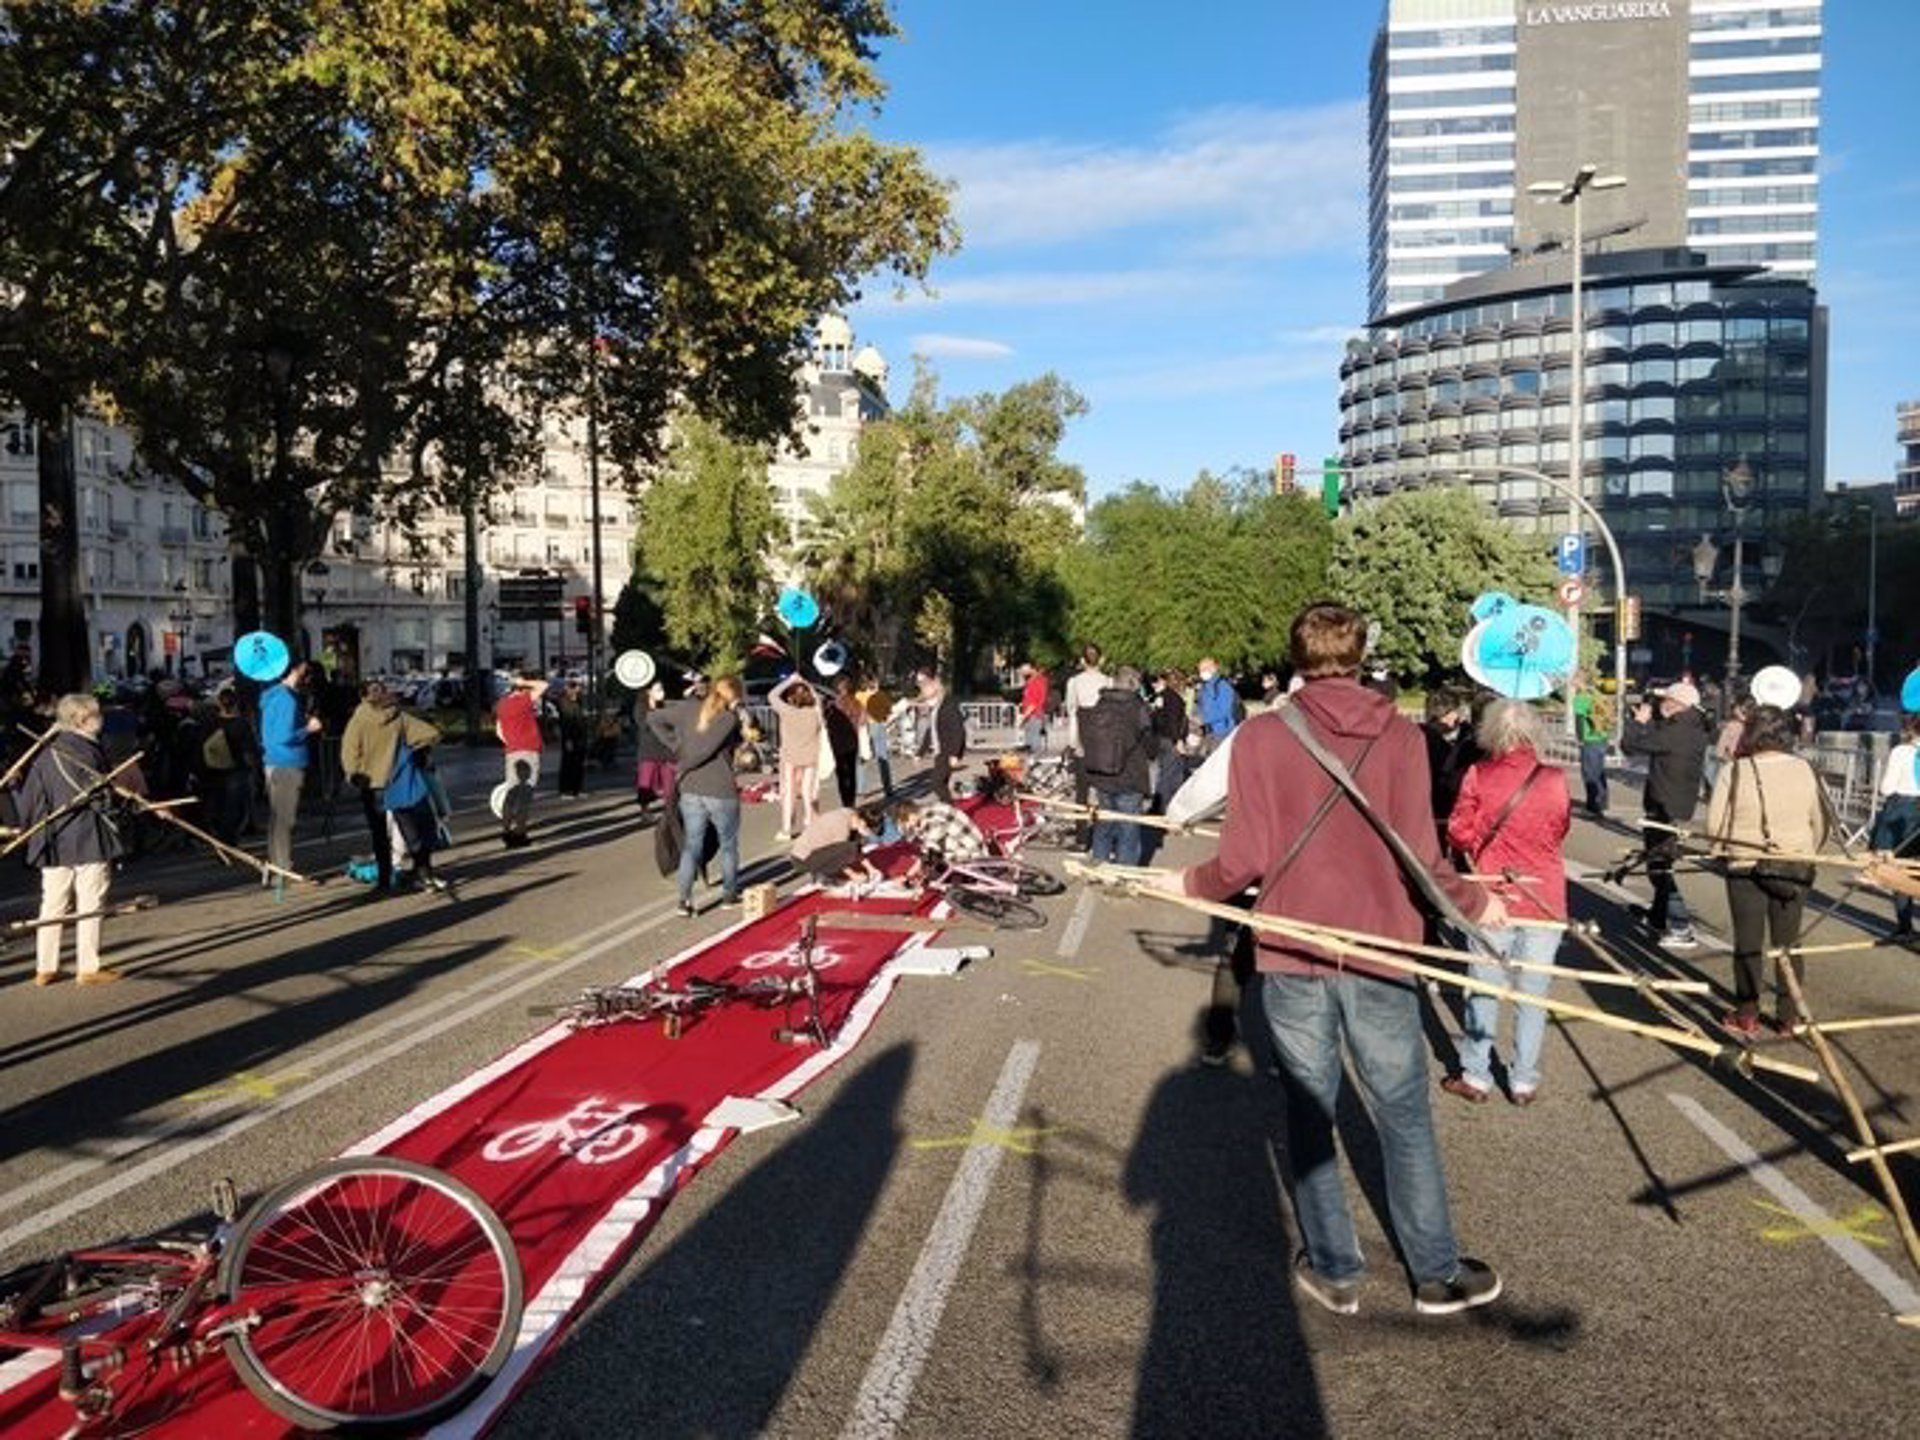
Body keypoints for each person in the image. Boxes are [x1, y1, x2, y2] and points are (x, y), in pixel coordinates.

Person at [1154, 601, 1504, 1317]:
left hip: (1290, 947)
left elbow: (1243, 859)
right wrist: (1476, 904)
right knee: (1403, 1112)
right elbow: (1422, 857)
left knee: (1311, 1109)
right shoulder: (1402, 737)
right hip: (1379, 944)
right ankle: (1434, 1272)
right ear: (1361, 653)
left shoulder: (1260, 738)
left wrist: (1184, 884)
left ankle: (1336, 1268)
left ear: (1296, 656)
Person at [1443, 699, 1571, 1105]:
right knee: (1533, 993)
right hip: (1544, 894)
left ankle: (1476, 1074)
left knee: (1484, 986)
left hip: (1491, 892)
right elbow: (1559, 828)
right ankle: (1524, 1079)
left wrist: (1482, 840)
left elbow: (1459, 833)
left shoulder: (1478, 774)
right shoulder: (1554, 778)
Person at [1706, 705, 1829, 1038]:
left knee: (1748, 941)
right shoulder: (1805, 769)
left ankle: (1747, 1013)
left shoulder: (1735, 771)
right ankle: (1788, 1016)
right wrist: (1808, 851)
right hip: (1794, 863)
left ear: (1751, 733)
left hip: (1745, 863)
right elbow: (1819, 820)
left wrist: (1719, 852)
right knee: (1788, 943)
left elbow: (1716, 821)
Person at [18, 693, 127, 985]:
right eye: (96, 715)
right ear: (81, 720)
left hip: (51, 837)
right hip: (87, 834)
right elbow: (102, 797)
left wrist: (26, 828)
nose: (100, 719)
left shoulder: (44, 753)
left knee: (51, 903)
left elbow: (28, 801)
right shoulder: (90, 752)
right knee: (90, 901)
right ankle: (88, 967)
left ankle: (45, 966)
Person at [1621, 680, 1713, 948]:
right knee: (1660, 863)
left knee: (1659, 865)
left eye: (1666, 700)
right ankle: (1657, 917)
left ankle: (1681, 925)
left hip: (1666, 806)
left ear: (1678, 705)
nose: (1661, 704)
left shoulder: (1678, 731)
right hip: (1672, 803)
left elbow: (1631, 745)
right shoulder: (1689, 726)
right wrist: (1647, 722)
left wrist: (1639, 722)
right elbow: (1652, 741)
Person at [650, 675, 745, 916]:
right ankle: (729, 894)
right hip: (720, 789)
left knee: (692, 845)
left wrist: (676, 746)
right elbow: (709, 749)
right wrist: (685, 758)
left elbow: (653, 718)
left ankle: (684, 901)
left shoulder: (688, 709)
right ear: (734, 696)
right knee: (728, 845)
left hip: (691, 789)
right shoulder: (728, 719)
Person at [342, 680, 440, 895]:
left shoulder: (358, 720)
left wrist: (353, 774)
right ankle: (424, 874)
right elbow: (430, 733)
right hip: (397, 780)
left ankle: (384, 880)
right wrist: (410, 751)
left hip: (370, 783)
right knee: (410, 829)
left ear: (363, 697)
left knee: (379, 834)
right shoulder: (399, 717)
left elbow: (349, 753)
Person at [1077, 665, 1154, 866]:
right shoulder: (1137, 707)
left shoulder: (1101, 702)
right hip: (1129, 776)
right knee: (1128, 829)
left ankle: (1099, 866)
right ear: (1133, 684)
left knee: (1104, 824)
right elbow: (1150, 742)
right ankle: (1123, 873)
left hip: (1102, 775)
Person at [258, 657, 321, 899]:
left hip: (273, 761)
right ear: (294, 670)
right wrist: (309, 728)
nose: (309, 676)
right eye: (306, 670)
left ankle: (277, 867)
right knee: (285, 820)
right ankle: (283, 872)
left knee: (278, 819)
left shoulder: (272, 694)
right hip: (287, 762)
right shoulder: (287, 699)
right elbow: (285, 735)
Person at [381, 707, 450, 892]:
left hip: (398, 796)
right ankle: (423, 875)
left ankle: (419, 874)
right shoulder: (411, 745)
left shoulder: (389, 743)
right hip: (414, 794)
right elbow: (433, 736)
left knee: (413, 839)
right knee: (421, 839)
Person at [1870, 714, 1920, 940]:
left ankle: (1904, 925)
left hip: (1902, 808)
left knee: (1899, 870)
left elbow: (1886, 788)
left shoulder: (1901, 752)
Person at [1420, 686, 1480, 840]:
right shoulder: (1440, 745)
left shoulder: (1415, 736)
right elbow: (1449, 778)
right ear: (1449, 713)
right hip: (1439, 813)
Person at [494, 673, 547, 843]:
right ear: (523, 689)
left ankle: (506, 829)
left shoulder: (502, 704)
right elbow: (543, 685)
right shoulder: (523, 701)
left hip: (512, 752)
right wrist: (525, 682)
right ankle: (520, 833)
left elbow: (499, 730)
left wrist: (510, 741)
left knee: (512, 791)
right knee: (525, 793)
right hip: (528, 750)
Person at [769, 673, 822, 837]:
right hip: (811, 757)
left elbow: (772, 695)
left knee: (788, 793)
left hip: (790, 757)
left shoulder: (787, 712)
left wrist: (790, 681)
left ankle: (786, 829)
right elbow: (818, 698)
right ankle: (811, 822)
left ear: (791, 698)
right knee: (807, 792)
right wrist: (807, 683)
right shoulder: (815, 712)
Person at [892, 796, 990, 881]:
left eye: (905, 823)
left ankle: (963, 877)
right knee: (931, 864)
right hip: (968, 844)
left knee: (934, 870)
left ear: (911, 815)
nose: (907, 827)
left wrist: (909, 875)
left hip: (972, 854)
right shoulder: (927, 811)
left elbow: (930, 854)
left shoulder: (932, 819)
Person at [1062, 645, 1110, 811]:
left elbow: (1072, 711)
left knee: (1081, 789)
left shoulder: (1074, 682)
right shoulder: (1108, 681)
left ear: (1082, 661)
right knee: (1104, 788)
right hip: (1103, 735)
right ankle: (1104, 829)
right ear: (1102, 660)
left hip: (1083, 733)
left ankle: (1082, 832)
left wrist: (1074, 742)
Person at [791, 805, 883, 887]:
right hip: (802, 859)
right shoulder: (842, 825)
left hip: (813, 852)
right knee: (850, 848)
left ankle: (823, 872)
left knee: (853, 846)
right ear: (863, 823)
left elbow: (855, 848)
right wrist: (853, 875)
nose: (870, 835)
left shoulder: (852, 816)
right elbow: (839, 856)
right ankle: (821, 874)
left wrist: (871, 868)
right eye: (870, 831)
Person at [916, 667, 966, 803]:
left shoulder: (948, 705)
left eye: (924, 684)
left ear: (935, 683)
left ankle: (950, 807)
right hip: (940, 751)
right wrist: (920, 752)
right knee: (941, 783)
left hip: (947, 750)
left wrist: (955, 754)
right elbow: (931, 730)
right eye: (919, 684)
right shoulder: (935, 706)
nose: (922, 688)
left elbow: (958, 731)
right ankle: (947, 805)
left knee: (936, 783)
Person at [633, 682, 676, 819]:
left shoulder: (665, 705)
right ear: (648, 691)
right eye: (657, 689)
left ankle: (670, 811)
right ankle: (645, 811)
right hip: (648, 750)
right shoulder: (640, 707)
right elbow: (644, 724)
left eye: (662, 688)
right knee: (645, 783)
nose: (661, 692)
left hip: (667, 750)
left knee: (670, 783)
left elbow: (673, 725)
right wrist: (655, 712)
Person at [1149, 669, 1190, 814]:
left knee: (1164, 774)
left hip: (1160, 738)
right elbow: (1173, 721)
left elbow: (1155, 717)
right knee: (1172, 776)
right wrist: (1178, 740)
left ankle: (1157, 806)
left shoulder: (1161, 697)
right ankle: (1165, 808)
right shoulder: (1174, 698)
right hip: (1170, 740)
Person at [1571, 674, 1610, 817]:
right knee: (1599, 771)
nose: (1571, 682)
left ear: (1580, 682)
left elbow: (1579, 720)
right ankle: (1604, 801)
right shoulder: (1597, 694)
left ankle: (1593, 806)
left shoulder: (1580, 698)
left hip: (1589, 739)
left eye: (1574, 679)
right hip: (1602, 737)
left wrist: (1580, 738)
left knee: (1589, 773)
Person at [827, 674, 863, 809]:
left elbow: (828, 723)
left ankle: (845, 804)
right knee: (852, 773)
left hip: (838, 743)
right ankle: (851, 803)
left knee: (842, 774)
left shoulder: (833, 704)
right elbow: (862, 719)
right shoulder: (856, 702)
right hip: (852, 741)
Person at [857, 677, 896, 798]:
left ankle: (860, 789)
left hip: (863, 727)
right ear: (875, 683)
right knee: (882, 757)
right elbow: (889, 712)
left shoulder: (859, 695)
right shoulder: (881, 696)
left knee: (862, 757)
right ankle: (888, 788)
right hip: (878, 726)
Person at [554, 679, 591, 798]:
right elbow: (566, 722)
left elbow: (582, 719)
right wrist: (568, 739)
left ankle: (577, 789)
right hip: (570, 737)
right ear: (568, 689)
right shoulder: (564, 702)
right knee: (568, 763)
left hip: (580, 736)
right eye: (574, 687)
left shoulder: (579, 702)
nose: (578, 689)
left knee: (579, 763)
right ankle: (565, 790)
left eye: (578, 687)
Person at [1194, 658, 1239, 752]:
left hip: (1222, 731)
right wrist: (1196, 715)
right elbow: (1200, 704)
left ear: (1214, 668)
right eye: (1200, 669)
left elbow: (1224, 711)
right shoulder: (1204, 687)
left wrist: (1204, 719)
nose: (1202, 672)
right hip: (1208, 731)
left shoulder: (1223, 686)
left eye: (1205, 668)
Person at [1018, 663, 1051, 754]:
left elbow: (1033, 703)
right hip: (1034, 714)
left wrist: (1024, 717)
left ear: (1032, 670)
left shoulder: (1035, 682)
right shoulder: (1037, 681)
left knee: (1034, 743)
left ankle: (1034, 761)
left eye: (1024, 669)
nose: (1022, 671)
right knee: (1032, 739)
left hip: (1034, 714)